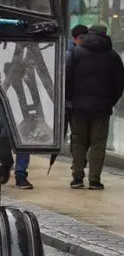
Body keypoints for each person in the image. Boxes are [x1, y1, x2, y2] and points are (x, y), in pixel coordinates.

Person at [13, 24, 89, 188]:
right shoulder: (62, 52)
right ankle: (19, 172)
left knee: (75, 139)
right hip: (45, 99)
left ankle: (77, 173)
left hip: (59, 101)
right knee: (26, 134)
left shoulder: (62, 51)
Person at [66, 24, 124, 190]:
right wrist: (110, 101)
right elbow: (119, 84)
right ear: (105, 34)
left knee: (78, 141)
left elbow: (67, 78)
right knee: (98, 143)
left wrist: (71, 99)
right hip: (102, 108)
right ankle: (94, 180)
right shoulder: (113, 56)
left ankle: (77, 177)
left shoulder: (77, 53)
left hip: (79, 107)